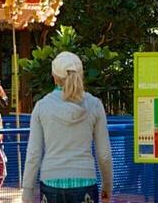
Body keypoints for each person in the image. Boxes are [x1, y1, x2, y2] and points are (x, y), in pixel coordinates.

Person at [22, 52, 112, 203]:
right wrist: (107, 186)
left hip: (50, 182)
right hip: (85, 182)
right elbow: (104, 155)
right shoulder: (94, 104)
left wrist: (28, 191)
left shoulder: (42, 106)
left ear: (54, 76)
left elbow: (34, 154)